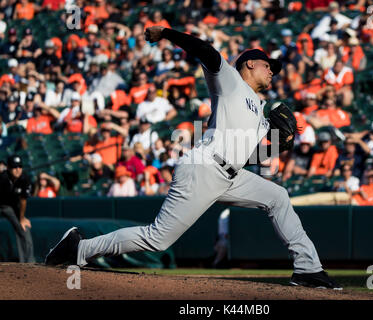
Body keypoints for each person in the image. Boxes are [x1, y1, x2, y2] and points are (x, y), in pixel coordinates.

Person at [45, 26, 341, 290]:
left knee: (278, 196)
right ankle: (79, 248)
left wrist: (281, 145)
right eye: (268, 65)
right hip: (204, 167)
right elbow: (206, 51)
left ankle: (308, 269)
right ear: (250, 63)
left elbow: (249, 156)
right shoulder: (231, 81)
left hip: (230, 174)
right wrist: (167, 34)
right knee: (158, 239)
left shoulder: (261, 112)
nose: (272, 71)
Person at [0, 155, 34, 262]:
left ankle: (28, 262)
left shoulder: (24, 178)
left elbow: (23, 201)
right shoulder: (2, 178)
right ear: (8, 168)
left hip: (10, 207)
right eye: (14, 167)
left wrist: (22, 218)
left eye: (20, 166)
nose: (18, 169)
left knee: (23, 228)